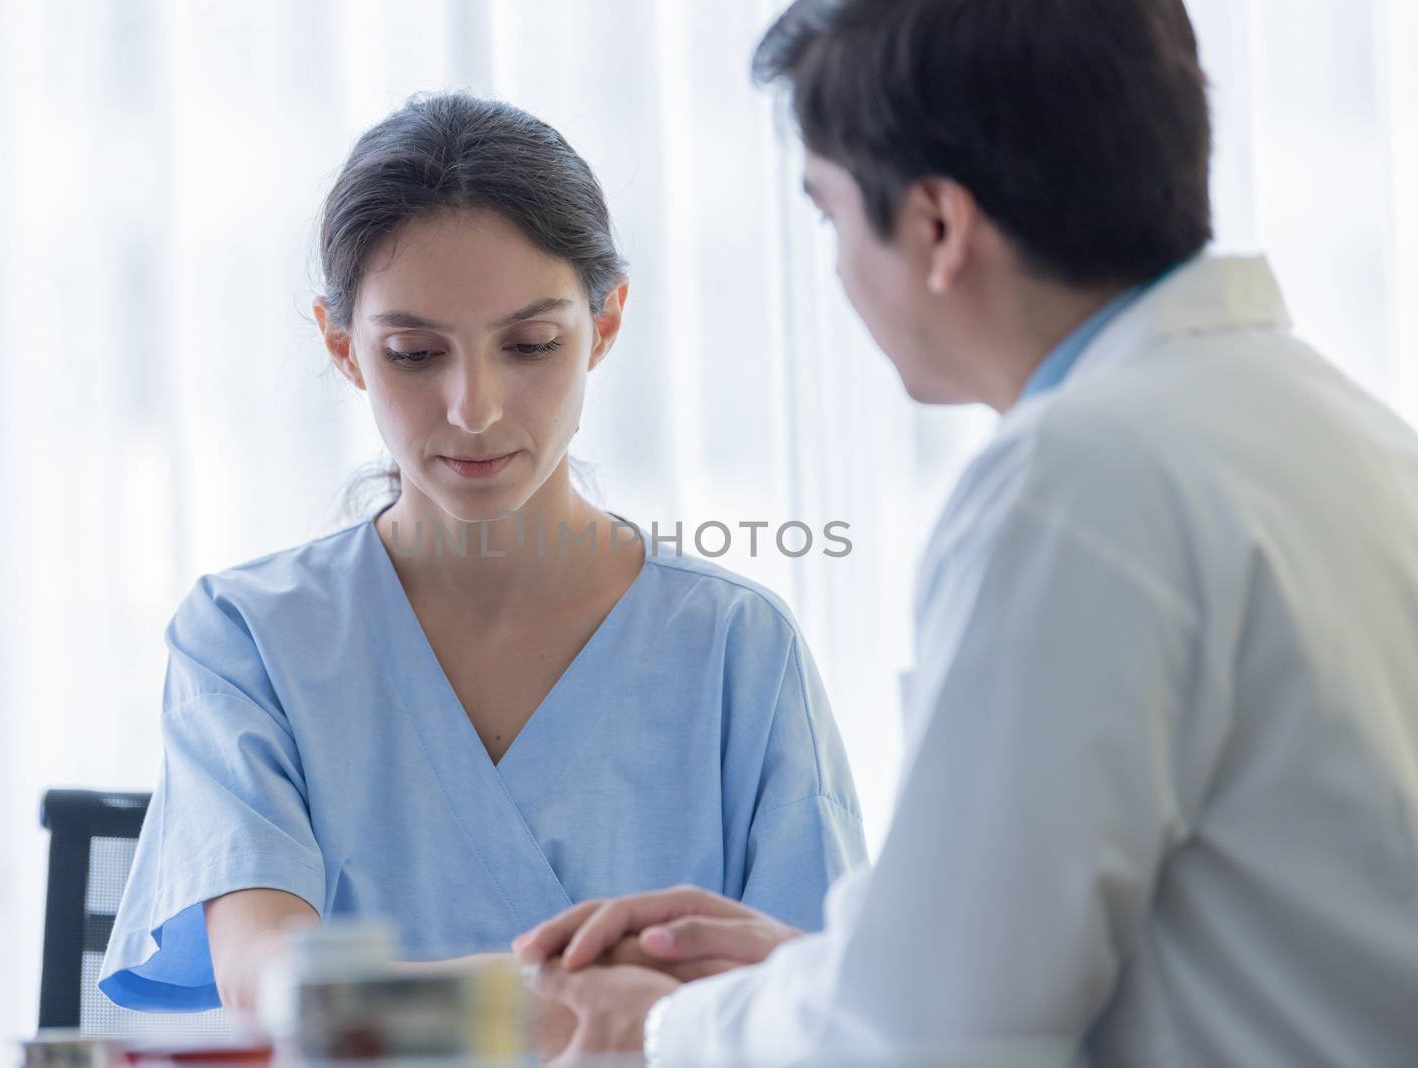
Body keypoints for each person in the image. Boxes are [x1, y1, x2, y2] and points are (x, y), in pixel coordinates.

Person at [514, 1, 1418, 1065]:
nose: (839, 269)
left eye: (831, 217)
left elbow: (943, 1035)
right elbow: (1062, 955)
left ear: (938, 229)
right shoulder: (1330, 426)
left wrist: (667, 1028)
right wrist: (837, 971)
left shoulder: (1077, 482)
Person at [97, 93, 865, 1015]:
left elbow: (815, 1008)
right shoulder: (249, 639)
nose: (475, 408)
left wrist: (428, 1008)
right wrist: (595, 1008)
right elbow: (275, 987)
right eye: (416, 354)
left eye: (532, 344)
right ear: (344, 349)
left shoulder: (739, 648)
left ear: (606, 325)